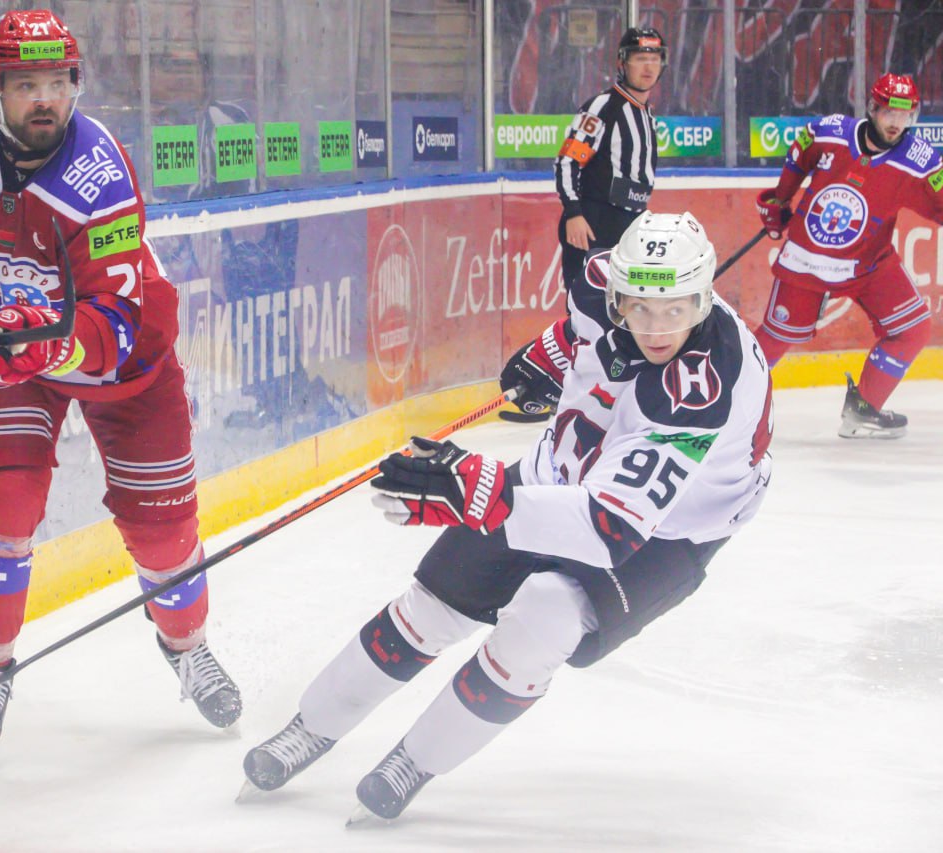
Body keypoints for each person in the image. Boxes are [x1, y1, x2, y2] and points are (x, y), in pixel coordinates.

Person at [240, 212, 774, 822]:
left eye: (674, 310)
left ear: (703, 299)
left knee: (546, 615)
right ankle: (311, 726)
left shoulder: (701, 391)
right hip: (562, 473)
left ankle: (416, 760)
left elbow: (611, 530)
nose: (655, 328)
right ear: (618, 293)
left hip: (668, 529)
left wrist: (482, 492)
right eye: (640, 309)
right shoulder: (602, 281)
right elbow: (583, 331)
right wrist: (553, 354)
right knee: (433, 604)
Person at [0, 9, 241, 762]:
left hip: (126, 363)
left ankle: (188, 645)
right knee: (4, 504)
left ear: (76, 84)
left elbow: (117, 315)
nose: (44, 99)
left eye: (57, 83)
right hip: (11, 352)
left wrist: (51, 344)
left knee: (163, 529)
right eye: (26, 85)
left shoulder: (99, 174)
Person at [753, 72, 938, 439]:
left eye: (905, 115)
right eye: (890, 112)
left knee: (912, 328)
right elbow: (800, 152)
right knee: (772, 340)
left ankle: (864, 407)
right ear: (872, 108)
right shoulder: (830, 132)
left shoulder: (918, 160)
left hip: (869, 264)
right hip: (809, 260)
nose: (896, 123)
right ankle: (723, 397)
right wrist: (780, 198)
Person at [554, 27, 664, 291]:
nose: (648, 66)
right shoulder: (603, 107)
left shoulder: (646, 113)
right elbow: (568, 161)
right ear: (622, 63)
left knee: (628, 304)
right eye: (640, 58)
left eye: (654, 58)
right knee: (589, 303)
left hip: (631, 225)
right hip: (593, 223)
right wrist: (573, 213)